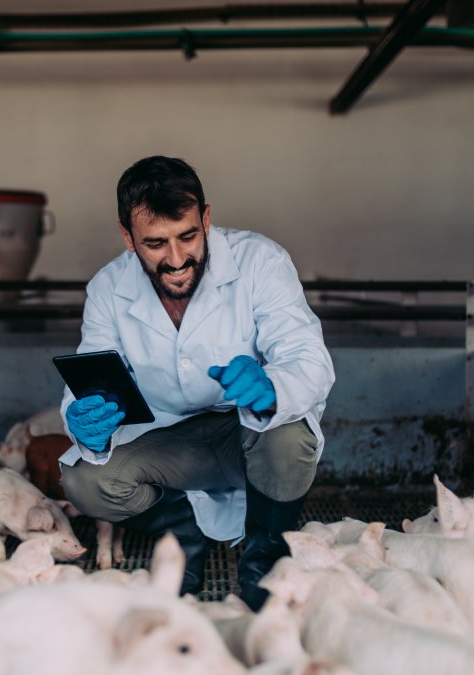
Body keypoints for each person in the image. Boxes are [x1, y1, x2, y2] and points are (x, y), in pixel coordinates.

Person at [57, 156, 335, 609]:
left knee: (288, 433)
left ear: (206, 218)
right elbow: (90, 373)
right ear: (127, 237)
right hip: (171, 444)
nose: (176, 258)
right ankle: (183, 533)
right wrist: (82, 416)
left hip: (248, 434)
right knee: (85, 481)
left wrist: (272, 386)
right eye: (155, 243)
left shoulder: (260, 261)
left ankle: (263, 557)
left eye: (188, 236)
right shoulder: (107, 289)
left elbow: (309, 359)